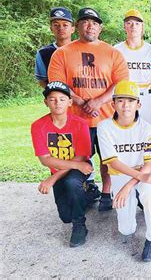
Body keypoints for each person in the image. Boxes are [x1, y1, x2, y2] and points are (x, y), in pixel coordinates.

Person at [48, 7, 129, 212]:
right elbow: (58, 85)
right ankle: (80, 194)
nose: (90, 25)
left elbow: (120, 84)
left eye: (94, 22)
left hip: (107, 118)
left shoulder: (113, 53)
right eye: (85, 21)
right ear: (77, 27)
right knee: (76, 161)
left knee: (108, 159)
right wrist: (82, 102)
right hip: (74, 120)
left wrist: (98, 102)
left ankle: (105, 193)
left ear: (100, 28)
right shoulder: (62, 53)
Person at [97, 80, 151, 262]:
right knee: (127, 230)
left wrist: (133, 183)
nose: (126, 105)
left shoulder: (145, 128)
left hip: (142, 174)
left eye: (131, 100)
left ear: (138, 104)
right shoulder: (105, 127)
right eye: (121, 100)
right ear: (113, 104)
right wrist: (132, 181)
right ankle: (135, 199)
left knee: (149, 194)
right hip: (120, 175)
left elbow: (149, 164)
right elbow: (113, 162)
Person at [31, 81, 93, 247]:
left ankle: (80, 225)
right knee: (66, 216)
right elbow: (45, 159)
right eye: (52, 99)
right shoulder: (38, 126)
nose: (57, 103)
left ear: (70, 102)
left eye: (62, 99)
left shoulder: (80, 124)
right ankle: (87, 196)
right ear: (46, 102)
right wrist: (61, 172)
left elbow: (80, 158)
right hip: (69, 166)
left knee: (72, 182)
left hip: (78, 168)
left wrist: (53, 178)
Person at [114, 9, 151, 128]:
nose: (133, 26)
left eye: (137, 23)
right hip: (125, 99)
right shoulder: (117, 50)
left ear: (142, 27)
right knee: (124, 134)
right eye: (129, 23)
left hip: (146, 98)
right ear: (125, 26)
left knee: (146, 135)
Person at [35, 7, 75, 88]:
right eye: (56, 25)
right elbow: (42, 80)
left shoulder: (81, 49)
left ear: (73, 29)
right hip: (58, 98)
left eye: (65, 25)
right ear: (51, 29)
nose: (60, 28)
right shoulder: (43, 53)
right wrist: (54, 93)